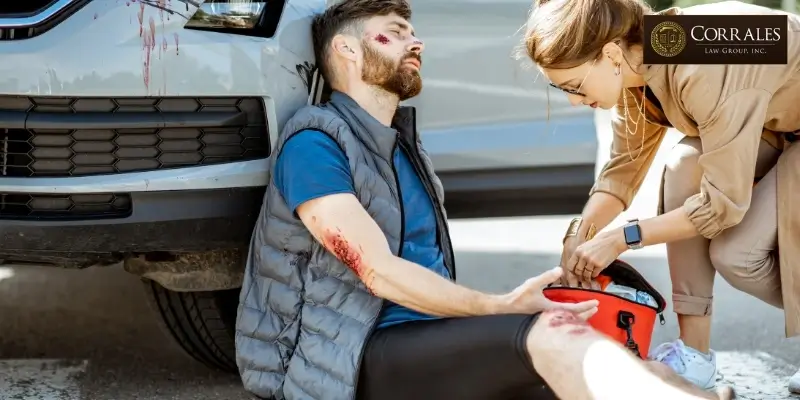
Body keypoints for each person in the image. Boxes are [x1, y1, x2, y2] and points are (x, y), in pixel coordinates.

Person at [234, 0, 738, 399]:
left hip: (421, 341)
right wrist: (501, 307)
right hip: (346, 361)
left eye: (413, 31)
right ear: (345, 50)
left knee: (622, 366)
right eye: (395, 31)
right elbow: (378, 272)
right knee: (553, 335)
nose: (417, 42)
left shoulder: (403, 146)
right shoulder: (315, 143)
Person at [522, 0, 800, 392]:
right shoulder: (641, 66)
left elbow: (723, 206)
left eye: (575, 86)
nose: (572, 100)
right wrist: (579, 235)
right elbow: (623, 170)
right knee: (686, 163)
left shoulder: (704, 58)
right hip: (779, 123)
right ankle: (694, 354)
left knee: (737, 254)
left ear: (611, 53)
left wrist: (622, 237)